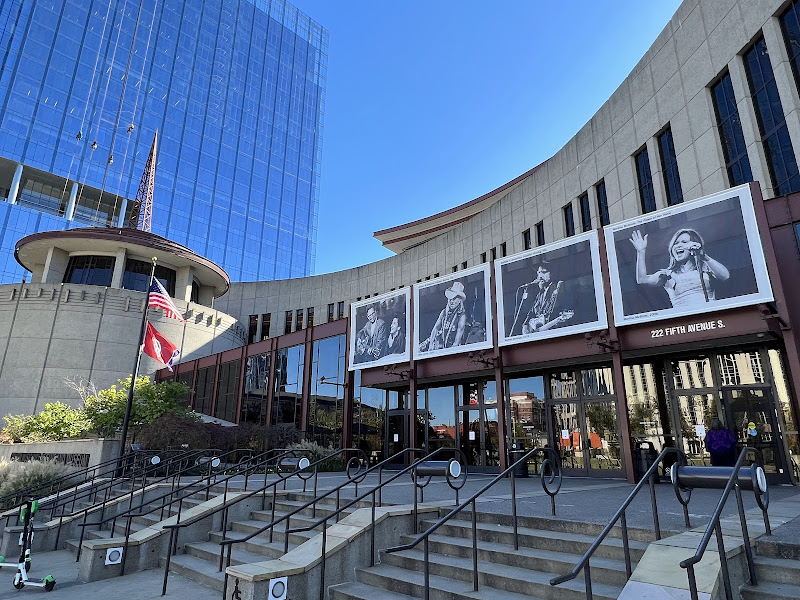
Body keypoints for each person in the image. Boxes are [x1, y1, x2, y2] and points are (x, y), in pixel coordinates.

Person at [629, 228, 730, 308]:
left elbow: (725, 276)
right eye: (676, 243)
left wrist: (703, 255)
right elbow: (642, 280)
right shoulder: (667, 275)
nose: (678, 245)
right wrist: (641, 251)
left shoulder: (706, 269)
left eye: (684, 242)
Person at [510, 259, 574, 336]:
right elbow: (531, 314)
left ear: (552, 273)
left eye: (544, 272)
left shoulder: (559, 287)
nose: (540, 276)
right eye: (538, 273)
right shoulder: (540, 294)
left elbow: (561, 312)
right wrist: (525, 326)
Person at [420, 281, 467, 351]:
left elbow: (456, 343)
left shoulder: (462, 317)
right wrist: (431, 344)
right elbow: (435, 328)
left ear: (460, 300)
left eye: (454, 298)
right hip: (442, 348)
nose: (452, 301)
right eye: (450, 298)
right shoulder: (444, 312)